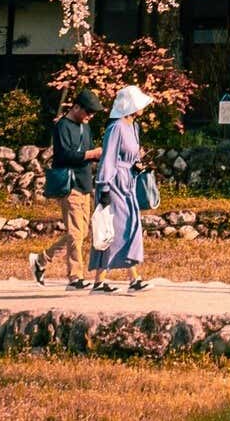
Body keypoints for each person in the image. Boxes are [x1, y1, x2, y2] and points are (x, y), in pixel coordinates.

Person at [32, 91, 105, 288]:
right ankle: (75, 277)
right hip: (69, 184)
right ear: (76, 107)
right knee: (74, 232)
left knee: (81, 233)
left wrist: (98, 154)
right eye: (88, 111)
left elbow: (88, 152)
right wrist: (90, 153)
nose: (90, 116)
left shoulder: (85, 127)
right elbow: (64, 155)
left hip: (84, 183)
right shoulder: (63, 126)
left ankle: (42, 260)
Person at [86, 85, 153, 293]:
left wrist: (137, 165)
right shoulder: (116, 128)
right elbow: (108, 158)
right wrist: (104, 187)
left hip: (128, 181)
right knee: (114, 229)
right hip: (114, 183)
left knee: (131, 226)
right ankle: (102, 280)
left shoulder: (134, 126)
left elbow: (131, 156)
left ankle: (132, 278)